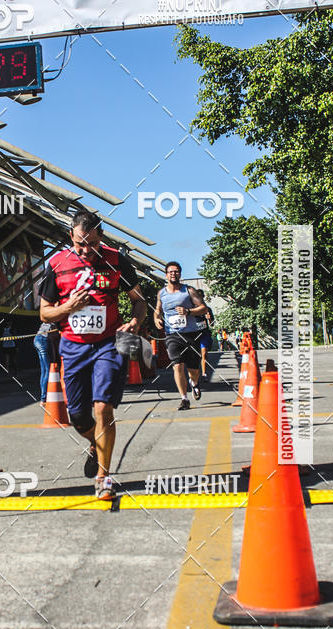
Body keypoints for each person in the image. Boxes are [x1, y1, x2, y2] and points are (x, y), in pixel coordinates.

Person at [39, 210, 146, 501]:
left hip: (109, 344)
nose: (85, 250)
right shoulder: (57, 264)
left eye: (91, 243)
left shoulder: (116, 260)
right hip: (72, 348)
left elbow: (139, 302)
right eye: (79, 243)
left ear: (101, 236)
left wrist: (135, 322)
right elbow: (45, 312)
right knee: (78, 419)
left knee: (103, 409)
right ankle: (93, 443)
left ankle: (104, 477)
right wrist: (67, 308)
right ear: (71, 237)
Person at [154, 262, 208, 410]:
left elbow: (203, 308)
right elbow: (158, 310)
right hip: (172, 335)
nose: (173, 274)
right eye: (170, 272)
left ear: (180, 274)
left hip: (191, 334)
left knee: (193, 370)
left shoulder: (189, 291)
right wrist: (156, 318)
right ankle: (184, 398)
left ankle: (194, 383)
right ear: (166, 275)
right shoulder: (162, 293)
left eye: (176, 272)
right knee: (177, 365)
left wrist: (188, 312)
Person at [33, 322, 59, 406]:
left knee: (44, 370)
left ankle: (43, 397)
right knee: (49, 370)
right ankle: (44, 399)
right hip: (44, 339)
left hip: (38, 338)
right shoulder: (58, 314)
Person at [196, 289, 215, 381]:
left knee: (204, 353)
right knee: (195, 356)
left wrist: (209, 319)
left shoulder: (208, 310)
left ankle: (204, 374)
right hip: (193, 335)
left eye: (201, 297)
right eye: (197, 297)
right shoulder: (191, 310)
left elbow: (212, 325)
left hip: (204, 334)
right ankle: (194, 375)